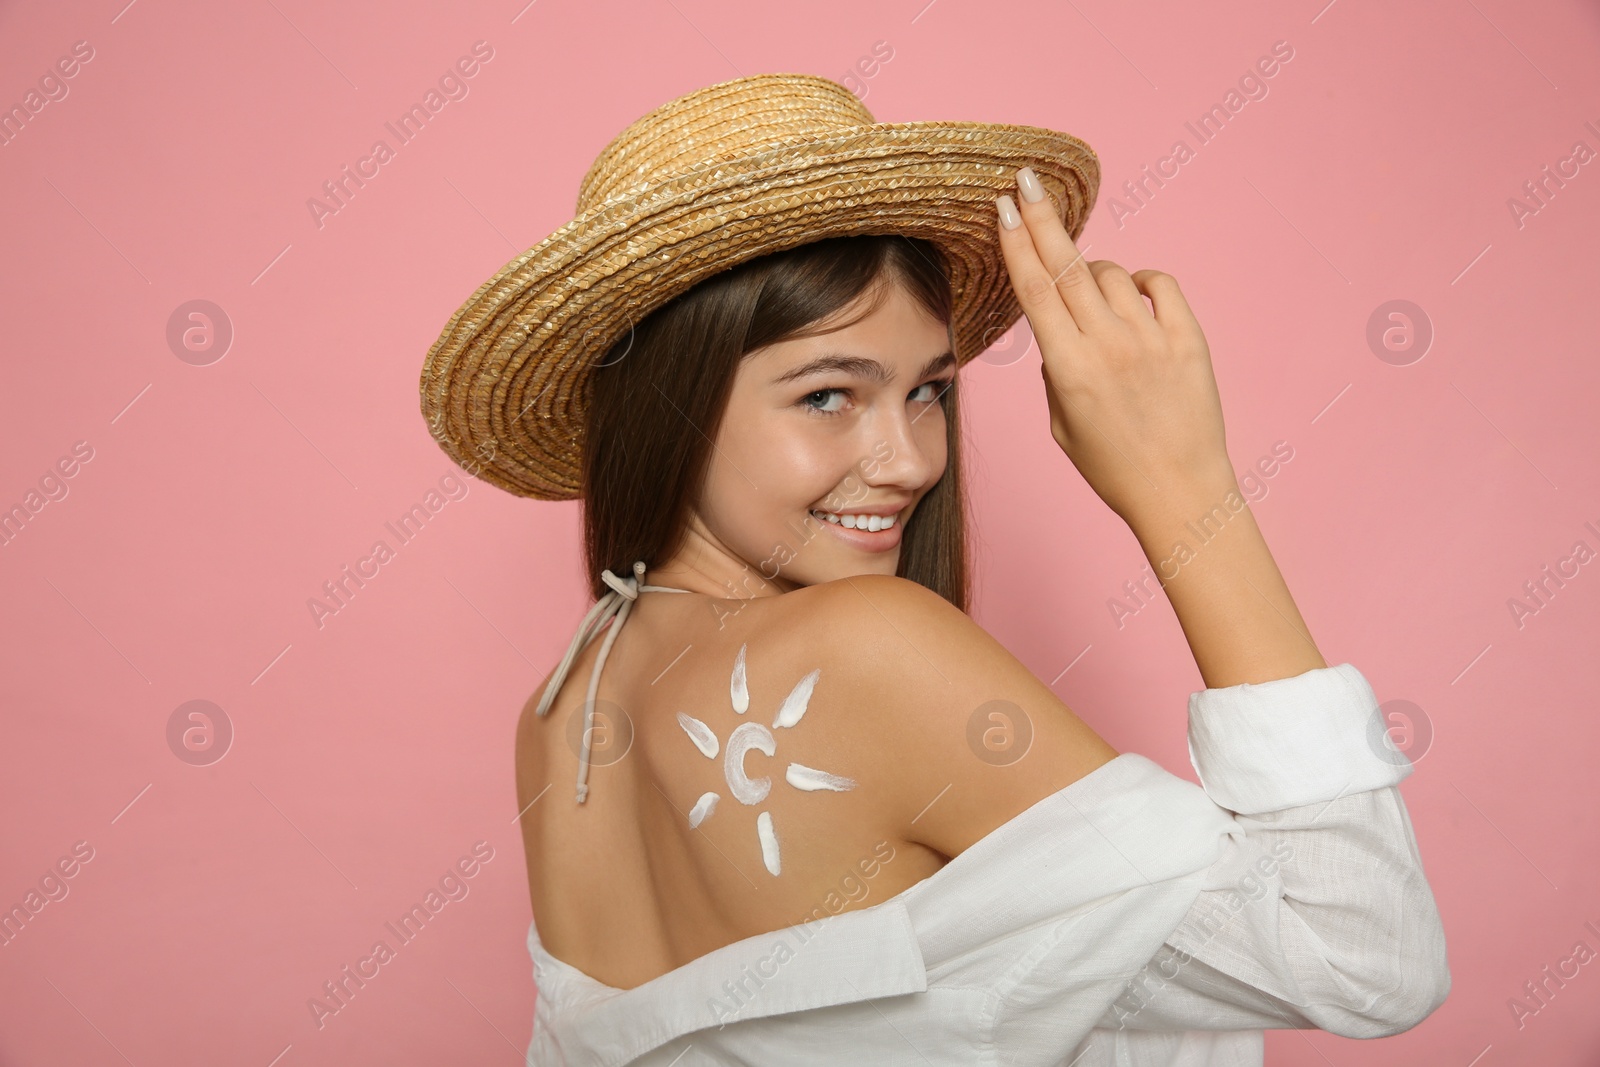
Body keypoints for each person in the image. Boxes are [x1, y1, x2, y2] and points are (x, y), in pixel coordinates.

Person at [419, 73, 1450, 1067]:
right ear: (666, 405)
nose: (911, 459)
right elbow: (1364, 957)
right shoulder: (864, 642)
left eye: (928, 392)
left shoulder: (565, 704)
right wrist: (1185, 492)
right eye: (827, 394)